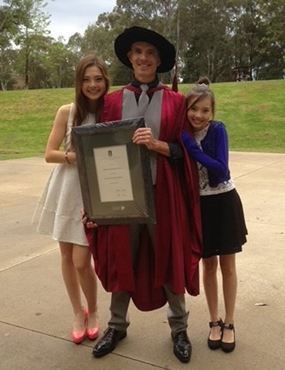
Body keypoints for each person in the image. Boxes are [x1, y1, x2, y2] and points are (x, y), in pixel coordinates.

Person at [84, 26, 202, 363]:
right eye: (138, 52)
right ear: (129, 58)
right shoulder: (110, 102)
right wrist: (92, 203)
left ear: (159, 60)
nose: (144, 58)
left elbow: (185, 152)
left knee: (170, 256)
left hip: (162, 195)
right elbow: (94, 153)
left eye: (150, 53)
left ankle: (179, 328)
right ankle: (117, 325)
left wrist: (157, 145)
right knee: (123, 257)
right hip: (121, 197)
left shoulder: (177, 102)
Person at [33, 54, 110, 344]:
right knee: (65, 257)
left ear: (105, 81)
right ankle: (78, 312)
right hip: (65, 188)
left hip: (93, 193)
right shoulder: (67, 111)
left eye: (98, 79)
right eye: (86, 79)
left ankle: (95, 310)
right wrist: (75, 157)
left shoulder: (110, 110)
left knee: (81, 261)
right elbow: (49, 153)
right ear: (78, 82)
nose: (92, 85)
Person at [182, 77, 247, 353]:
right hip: (200, 206)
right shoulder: (182, 133)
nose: (198, 115)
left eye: (205, 110)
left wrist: (193, 150)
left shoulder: (218, 130)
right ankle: (214, 321)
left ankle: (229, 322)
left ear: (212, 112)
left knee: (227, 265)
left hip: (223, 202)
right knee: (207, 265)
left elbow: (221, 169)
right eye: (194, 109)